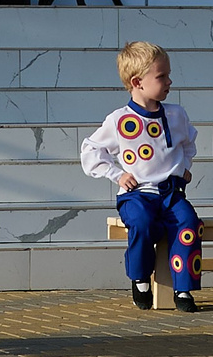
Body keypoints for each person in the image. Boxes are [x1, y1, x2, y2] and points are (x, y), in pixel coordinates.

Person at [81, 41, 202, 312]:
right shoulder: (119, 120)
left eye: (168, 75)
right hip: (137, 195)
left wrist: (184, 166)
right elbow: (91, 149)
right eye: (161, 76)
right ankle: (140, 278)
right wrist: (116, 174)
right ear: (137, 82)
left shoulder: (176, 114)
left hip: (171, 193)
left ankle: (183, 289)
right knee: (142, 223)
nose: (169, 81)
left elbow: (188, 143)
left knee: (189, 224)